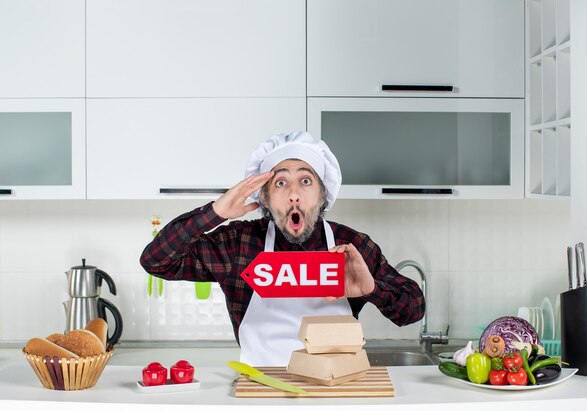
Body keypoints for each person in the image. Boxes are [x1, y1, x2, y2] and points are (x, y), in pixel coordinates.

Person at [140, 131, 425, 366]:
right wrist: (215, 212)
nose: (293, 195)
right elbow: (156, 261)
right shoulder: (238, 245)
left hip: (335, 390)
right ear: (265, 197)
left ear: (322, 193)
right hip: (261, 390)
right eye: (280, 183)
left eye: (305, 180)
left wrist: (371, 289)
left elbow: (412, 309)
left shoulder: (351, 247)